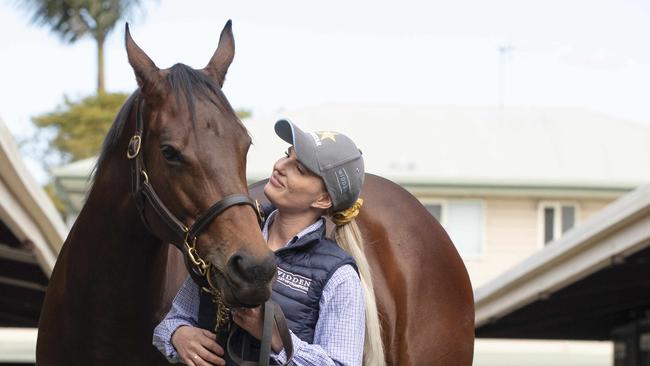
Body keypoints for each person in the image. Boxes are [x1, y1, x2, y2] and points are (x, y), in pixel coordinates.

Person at [153, 119, 385, 366]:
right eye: (287, 155)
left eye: (300, 169)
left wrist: (276, 338)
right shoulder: (229, 238)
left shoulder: (339, 276)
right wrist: (177, 335)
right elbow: (174, 319)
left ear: (323, 199)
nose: (280, 166)